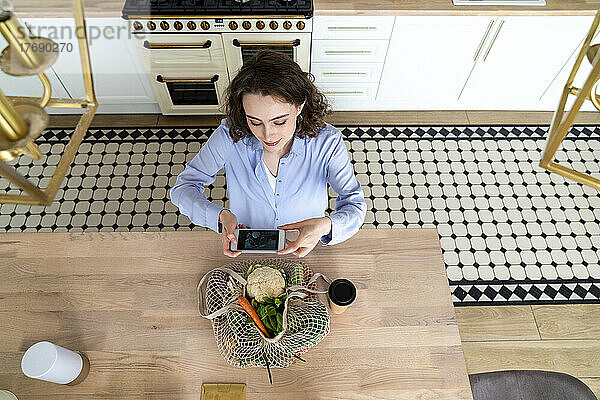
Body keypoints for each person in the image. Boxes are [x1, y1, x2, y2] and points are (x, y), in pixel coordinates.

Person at [170, 50, 366, 258]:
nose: (267, 135)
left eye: (279, 121)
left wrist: (325, 226)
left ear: (299, 107)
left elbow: (355, 204)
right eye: (255, 121)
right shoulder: (229, 136)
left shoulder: (327, 142)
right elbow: (183, 188)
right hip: (247, 247)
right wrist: (220, 216)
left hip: (304, 248)